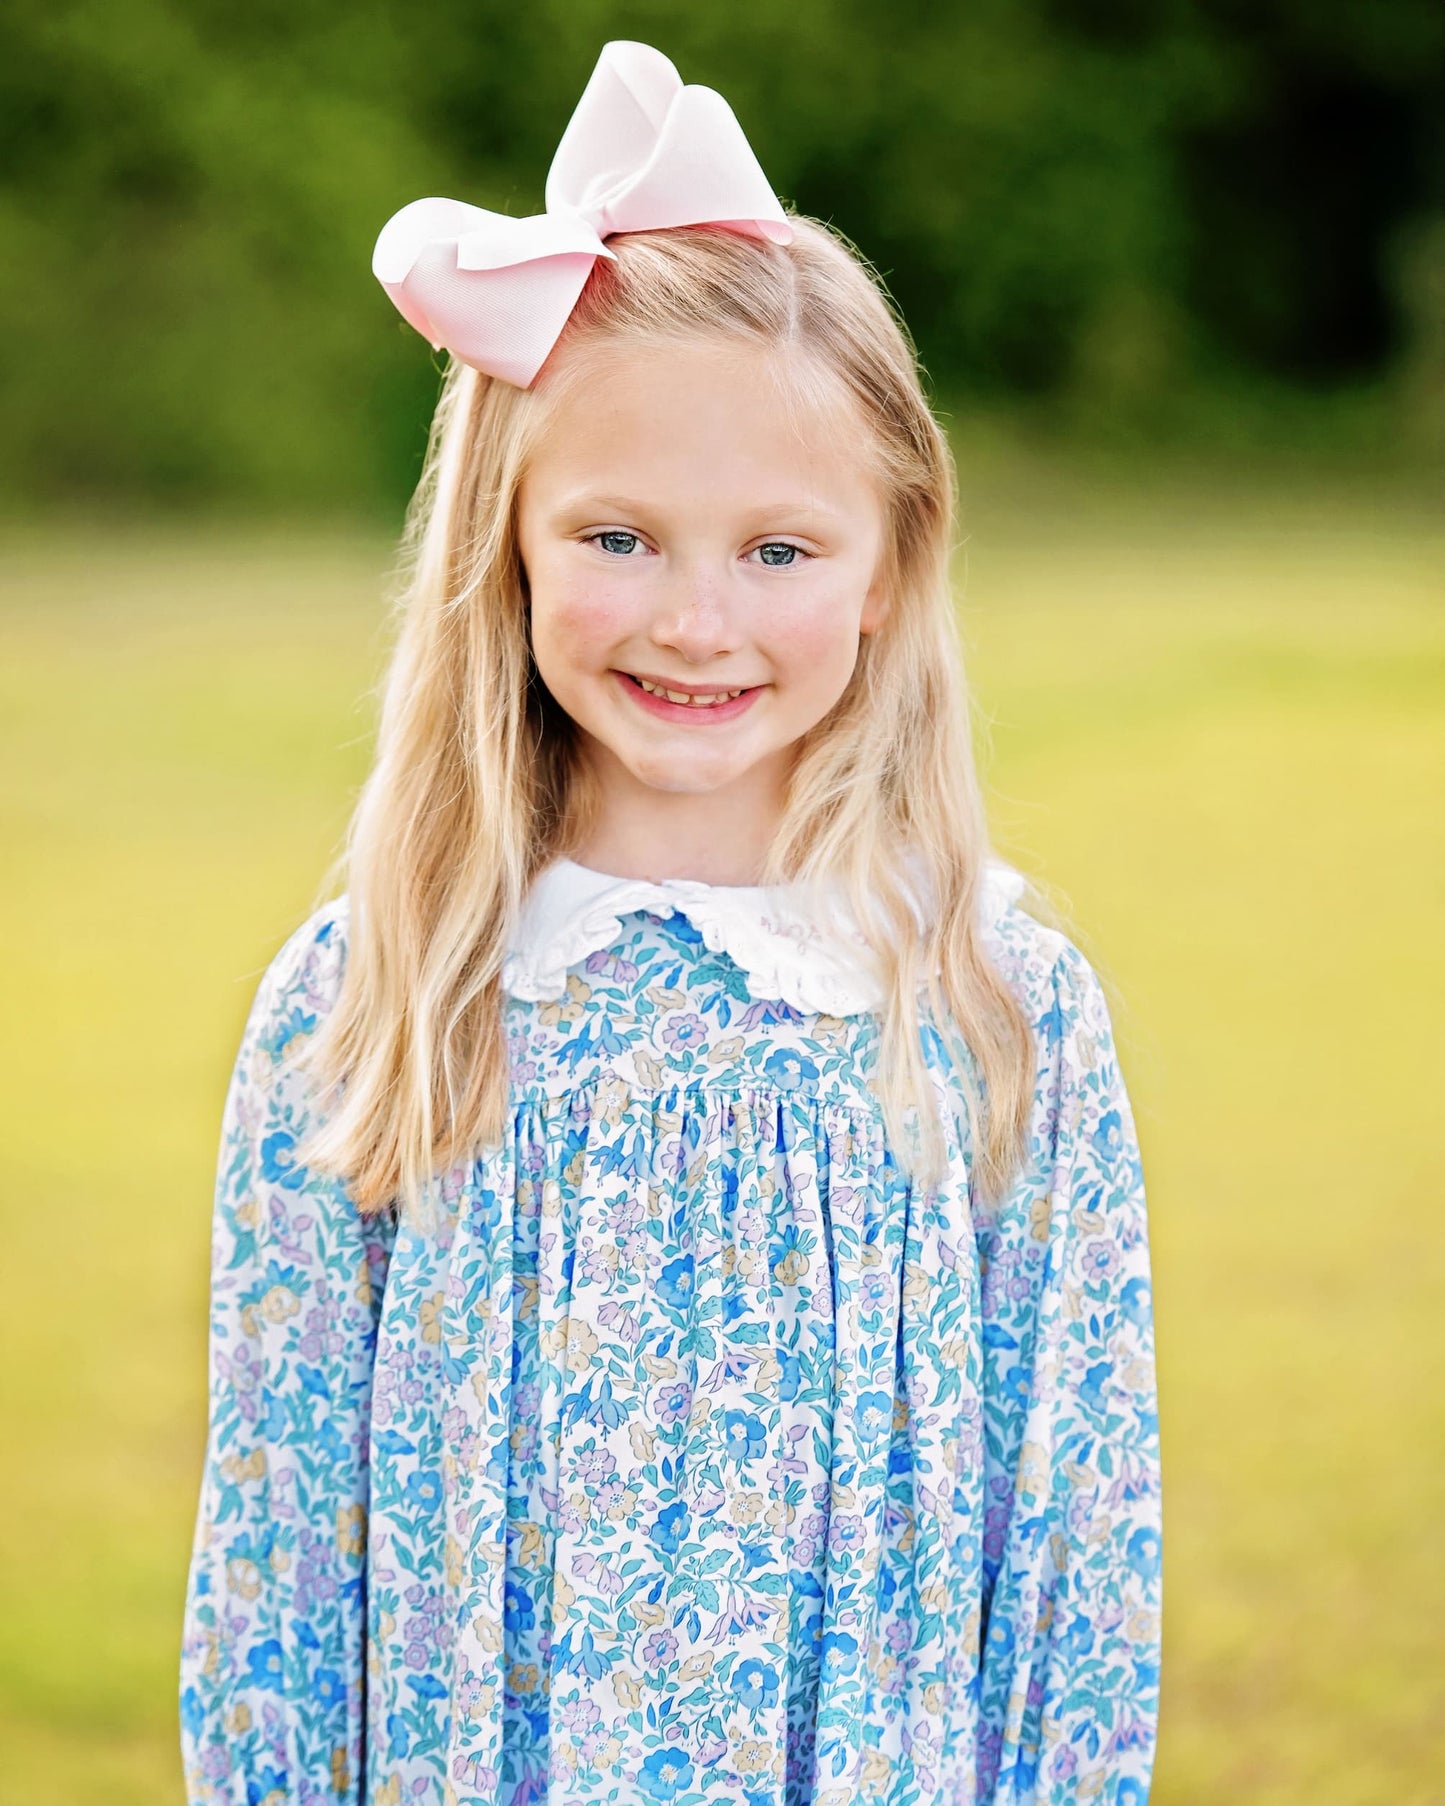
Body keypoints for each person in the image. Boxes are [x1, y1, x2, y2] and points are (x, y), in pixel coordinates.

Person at [177, 39, 1162, 1806]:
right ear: (511, 545)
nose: (695, 620)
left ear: (886, 571)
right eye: (620, 535)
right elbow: (276, 1556)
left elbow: (1076, 1535)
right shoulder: (379, 994)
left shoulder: (992, 1000)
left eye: (777, 550)